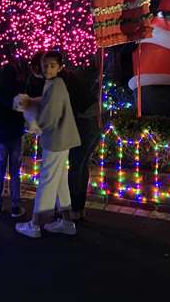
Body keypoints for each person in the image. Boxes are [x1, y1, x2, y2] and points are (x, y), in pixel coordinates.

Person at [15, 51, 81, 238]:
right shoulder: (55, 84)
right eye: (45, 65)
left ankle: (35, 224)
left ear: (60, 67)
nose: (48, 69)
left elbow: (50, 115)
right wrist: (32, 101)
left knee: (47, 181)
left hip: (55, 140)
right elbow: (47, 102)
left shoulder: (56, 85)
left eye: (52, 65)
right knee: (59, 182)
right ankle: (67, 222)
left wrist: (34, 125)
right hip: (61, 139)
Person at [65, 59, 101, 221]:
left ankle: (74, 208)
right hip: (93, 124)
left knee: (76, 166)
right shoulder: (85, 81)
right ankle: (79, 208)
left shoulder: (67, 83)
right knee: (82, 165)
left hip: (83, 125)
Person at [0, 64, 26, 218]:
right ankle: (15, 207)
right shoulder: (19, 89)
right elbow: (24, 110)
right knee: (15, 172)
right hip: (15, 135)